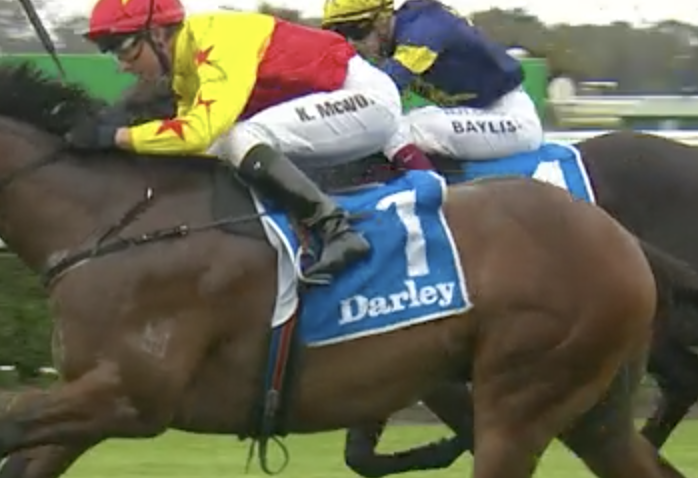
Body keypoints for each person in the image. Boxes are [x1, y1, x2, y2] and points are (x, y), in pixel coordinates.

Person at [65, 0, 431, 284]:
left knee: (241, 136)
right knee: (226, 144)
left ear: (158, 34)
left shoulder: (215, 40)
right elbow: (192, 141)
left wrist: (114, 137)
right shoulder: (185, 69)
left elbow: (199, 131)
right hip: (336, 108)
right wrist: (112, 129)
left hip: (368, 101)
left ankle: (337, 231)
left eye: (125, 49)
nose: (123, 65)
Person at [320, 0, 544, 168]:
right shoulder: (393, 36)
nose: (351, 43)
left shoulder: (422, 32)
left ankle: (430, 196)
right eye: (340, 35)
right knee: (406, 120)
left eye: (355, 31)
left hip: (511, 120)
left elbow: (380, 91)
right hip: (474, 115)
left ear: (382, 20)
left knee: (406, 128)